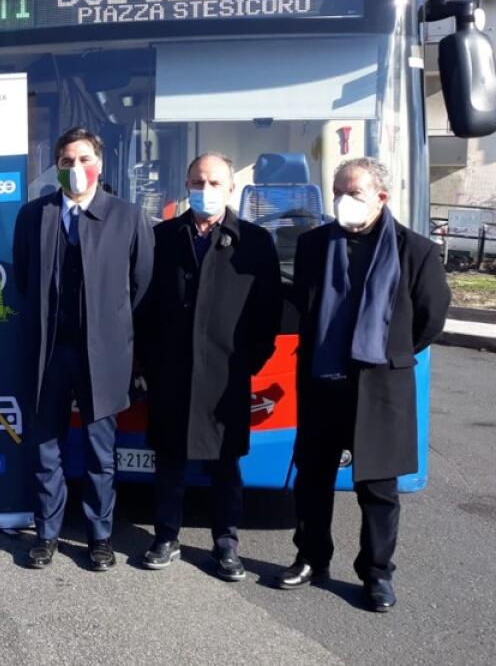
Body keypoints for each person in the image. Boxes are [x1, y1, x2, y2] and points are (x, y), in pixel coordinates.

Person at [278, 157, 449, 612]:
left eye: (354, 193)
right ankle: (312, 557)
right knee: (312, 479)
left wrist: (389, 355)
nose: (343, 201)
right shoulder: (314, 245)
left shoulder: (416, 251)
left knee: (378, 488)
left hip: (380, 386)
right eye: (337, 191)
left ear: (381, 198)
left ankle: (377, 574)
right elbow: (302, 305)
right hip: (323, 382)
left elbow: (430, 317)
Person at [12, 126, 154, 571]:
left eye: (84, 159)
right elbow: (22, 278)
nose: (76, 168)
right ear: (56, 167)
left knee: (99, 453)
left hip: (103, 355)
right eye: (67, 161)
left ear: (100, 164)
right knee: (46, 449)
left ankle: (99, 536)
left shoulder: (128, 216)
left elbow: (141, 286)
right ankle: (47, 534)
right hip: (49, 353)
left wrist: (112, 331)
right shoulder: (34, 215)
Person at [136, 153, 282, 580]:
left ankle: (226, 545)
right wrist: (149, 361)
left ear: (231, 188)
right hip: (170, 373)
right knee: (169, 461)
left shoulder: (255, 242)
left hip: (226, 376)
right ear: (186, 185)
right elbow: (142, 306)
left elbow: (267, 313)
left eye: (215, 182)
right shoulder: (161, 237)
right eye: (198, 182)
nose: (206, 190)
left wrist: (245, 364)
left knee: (225, 465)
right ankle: (165, 536)